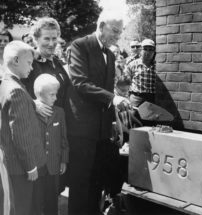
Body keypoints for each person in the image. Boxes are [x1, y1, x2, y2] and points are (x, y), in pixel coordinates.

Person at [66, 10, 131, 215]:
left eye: (120, 32)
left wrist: (117, 124)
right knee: (80, 184)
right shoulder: (79, 46)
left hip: (103, 132)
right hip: (82, 130)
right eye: (114, 30)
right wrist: (113, 98)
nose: (117, 36)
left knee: (97, 182)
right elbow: (80, 83)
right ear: (100, 26)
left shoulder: (110, 54)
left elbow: (108, 91)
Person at [22, 17, 70, 193]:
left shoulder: (57, 62)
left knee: (51, 192)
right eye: (46, 39)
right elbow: (13, 91)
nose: (51, 43)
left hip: (57, 134)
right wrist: (34, 104)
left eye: (54, 38)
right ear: (36, 39)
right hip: (37, 137)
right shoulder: (29, 62)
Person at [0, 40, 46, 215]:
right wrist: (30, 166)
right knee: (22, 207)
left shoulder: (6, 84)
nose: (32, 67)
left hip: (11, 162)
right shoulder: (16, 90)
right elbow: (20, 133)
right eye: (29, 62)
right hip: (21, 167)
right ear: (16, 60)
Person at [33, 73, 69, 215]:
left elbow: (63, 138)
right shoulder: (31, 110)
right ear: (40, 95)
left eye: (56, 94)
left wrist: (64, 160)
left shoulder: (59, 112)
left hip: (54, 165)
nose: (55, 98)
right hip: (37, 166)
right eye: (52, 95)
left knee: (52, 201)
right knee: (36, 201)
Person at [125, 38, 156, 107]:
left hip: (151, 100)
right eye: (145, 49)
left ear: (154, 52)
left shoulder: (156, 66)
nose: (148, 52)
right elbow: (124, 84)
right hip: (136, 99)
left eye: (151, 49)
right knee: (134, 117)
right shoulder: (132, 65)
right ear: (140, 50)